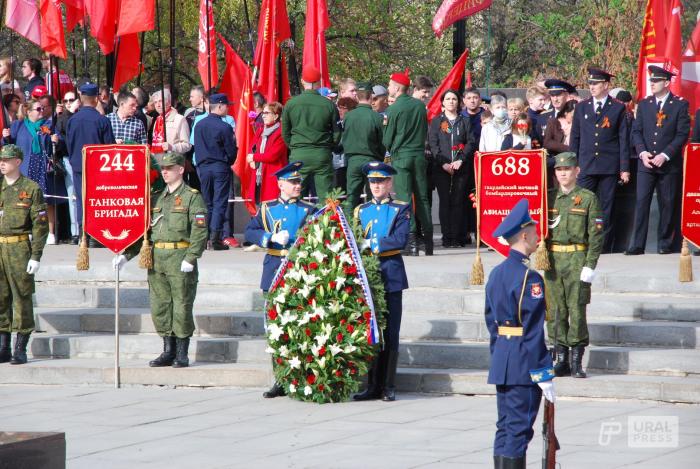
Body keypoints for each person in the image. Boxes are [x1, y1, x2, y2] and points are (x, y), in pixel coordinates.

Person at [114, 152, 207, 368]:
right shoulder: (156, 197)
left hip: (179, 256)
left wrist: (192, 257)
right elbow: (145, 233)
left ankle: (182, 353)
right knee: (160, 306)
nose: (164, 171)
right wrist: (126, 255)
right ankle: (168, 350)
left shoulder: (192, 197)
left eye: (169, 168)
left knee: (181, 305)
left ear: (181, 170)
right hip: (157, 258)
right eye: (163, 168)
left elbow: (200, 232)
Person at [485, 198, 555, 468]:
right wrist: (544, 373)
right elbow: (533, 330)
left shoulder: (497, 273)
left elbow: (491, 321)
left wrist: (500, 354)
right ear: (524, 235)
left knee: (505, 428)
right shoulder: (530, 278)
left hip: (503, 360)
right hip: (524, 365)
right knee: (519, 430)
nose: (539, 237)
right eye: (536, 232)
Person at [244, 161, 316, 398]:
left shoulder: (308, 209)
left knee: (300, 325)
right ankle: (280, 377)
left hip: (297, 269)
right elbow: (250, 232)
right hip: (274, 268)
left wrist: (294, 238)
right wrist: (270, 237)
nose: (297, 185)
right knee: (275, 327)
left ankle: (303, 377)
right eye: (293, 182)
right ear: (280, 184)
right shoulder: (267, 208)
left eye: (298, 181)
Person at [353, 162, 410, 402]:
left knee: (390, 332)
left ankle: (388, 384)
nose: (376, 186)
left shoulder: (400, 209)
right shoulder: (360, 210)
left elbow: (400, 239)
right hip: (367, 276)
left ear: (390, 183)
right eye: (373, 182)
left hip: (391, 275)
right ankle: (371, 385)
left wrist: (372, 244)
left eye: (381, 181)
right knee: (371, 331)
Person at [545, 152, 604, 379]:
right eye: (559, 170)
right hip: (552, 259)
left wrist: (590, 264)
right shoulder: (548, 198)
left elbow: (596, 236)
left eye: (567, 169)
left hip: (577, 258)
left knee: (576, 308)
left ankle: (576, 361)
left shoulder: (588, 198)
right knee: (555, 310)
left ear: (577, 171)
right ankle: (561, 359)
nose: (563, 173)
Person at [626, 66, 690, 255]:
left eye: (656, 81)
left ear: (667, 83)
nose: (652, 84)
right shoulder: (645, 104)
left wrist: (665, 155)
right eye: (651, 81)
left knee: (668, 203)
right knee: (641, 202)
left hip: (668, 163)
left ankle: (665, 243)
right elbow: (636, 131)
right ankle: (637, 244)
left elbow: (682, 133)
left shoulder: (679, 104)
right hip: (646, 162)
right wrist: (643, 152)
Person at [570, 67, 630, 253]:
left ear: (605, 85)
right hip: (586, 164)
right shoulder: (582, 106)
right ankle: (581, 240)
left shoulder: (618, 107)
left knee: (606, 206)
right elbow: (575, 137)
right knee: (581, 203)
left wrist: (624, 168)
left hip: (608, 165)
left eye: (596, 83)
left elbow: (623, 140)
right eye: (590, 83)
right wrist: (574, 164)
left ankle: (602, 245)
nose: (592, 87)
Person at [0, 144, 49, 365]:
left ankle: (20, 347)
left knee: (21, 297)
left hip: (19, 247)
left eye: (7, 160)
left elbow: (40, 226)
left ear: (18, 162)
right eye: (1, 159)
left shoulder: (30, 188)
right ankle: (3, 347)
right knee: (0, 298)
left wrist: (36, 256)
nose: (3, 163)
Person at [383, 68, 431, 255]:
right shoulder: (419, 106)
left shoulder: (393, 109)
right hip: (418, 156)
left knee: (404, 199)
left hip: (401, 157)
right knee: (422, 197)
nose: (388, 88)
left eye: (389, 85)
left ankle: (410, 240)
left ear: (396, 87)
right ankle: (428, 241)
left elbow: (387, 140)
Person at [2, 99, 64, 244]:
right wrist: (6, 136)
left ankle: (50, 233)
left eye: (42, 108)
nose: (41, 111)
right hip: (25, 165)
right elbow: (8, 144)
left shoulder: (48, 125)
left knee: (47, 201)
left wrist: (56, 140)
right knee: (25, 200)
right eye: (38, 109)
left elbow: (57, 143)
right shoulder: (19, 125)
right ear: (28, 111)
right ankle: (27, 230)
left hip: (42, 165)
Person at [281, 65, 341, 201]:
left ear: (302, 81)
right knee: (327, 200)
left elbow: (285, 132)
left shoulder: (291, 104)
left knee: (295, 196)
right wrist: (328, 146)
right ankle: (327, 222)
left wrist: (295, 147)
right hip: (322, 154)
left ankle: (296, 222)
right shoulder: (328, 105)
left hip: (299, 154)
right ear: (319, 82)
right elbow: (337, 133)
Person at [65, 83, 115, 240]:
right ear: (96, 99)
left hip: (79, 164)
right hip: (99, 166)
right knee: (98, 199)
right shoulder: (102, 121)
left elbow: (69, 144)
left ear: (81, 98)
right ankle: (96, 234)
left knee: (81, 198)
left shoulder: (72, 120)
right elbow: (109, 147)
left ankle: (83, 232)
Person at [428, 89, 475, 248]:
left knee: (458, 202)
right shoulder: (437, 121)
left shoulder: (465, 121)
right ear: (443, 102)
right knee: (445, 202)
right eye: (448, 99)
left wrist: (461, 160)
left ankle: (456, 237)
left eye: (454, 99)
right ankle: (446, 237)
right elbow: (433, 145)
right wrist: (443, 163)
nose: (451, 102)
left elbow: (471, 142)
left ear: (458, 102)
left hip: (461, 168)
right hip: (442, 168)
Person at [192, 93, 236, 250]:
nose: (228, 108)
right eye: (226, 105)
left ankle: (204, 237)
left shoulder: (199, 125)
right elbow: (231, 152)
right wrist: (228, 160)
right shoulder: (225, 127)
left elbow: (196, 148)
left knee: (207, 202)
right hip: (219, 166)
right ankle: (215, 238)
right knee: (219, 202)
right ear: (219, 106)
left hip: (203, 167)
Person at [342, 82, 386, 211]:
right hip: (372, 160)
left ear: (357, 96)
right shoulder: (376, 117)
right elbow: (383, 142)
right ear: (371, 96)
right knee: (375, 196)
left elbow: (344, 138)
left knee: (351, 198)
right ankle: (373, 226)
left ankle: (349, 227)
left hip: (353, 160)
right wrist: (380, 158)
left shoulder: (348, 116)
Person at [246, 101, 288, 204]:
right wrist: (251, 158)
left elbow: (272, 156)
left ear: (276, 116)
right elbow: (252, 147)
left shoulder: (281, 132)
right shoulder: (261, 130)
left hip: (272, 176)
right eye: (263, 113)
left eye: (267, 113)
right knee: (258, 206)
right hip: (259, 174)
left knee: (271, 205)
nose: (263, 116)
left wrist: (254, 157)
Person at [54, 90, 81, 244]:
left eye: (71, 100)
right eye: (66, 101)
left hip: (85, 158)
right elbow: (63, 129)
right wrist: (68, 112)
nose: (69, 103)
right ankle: (75, 231)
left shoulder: (83, 113)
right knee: (73, 196)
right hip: (68, 159)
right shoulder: (62, 118)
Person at [150, 89, 191, 165]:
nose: (158, 105)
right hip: (157, 163)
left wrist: (172, 147)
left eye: (160, 101)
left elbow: (187, 145)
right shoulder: (158, 120)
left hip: (173, 163)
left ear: (168, 102)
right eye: (155, 102)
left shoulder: (179, 119)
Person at [333, 97, 358, 192]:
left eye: (344, 108)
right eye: (339, 107)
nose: (340, 110)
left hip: (347, 163)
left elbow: (341, 144)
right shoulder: (337, 123)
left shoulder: (351, 123)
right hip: (337, 164)